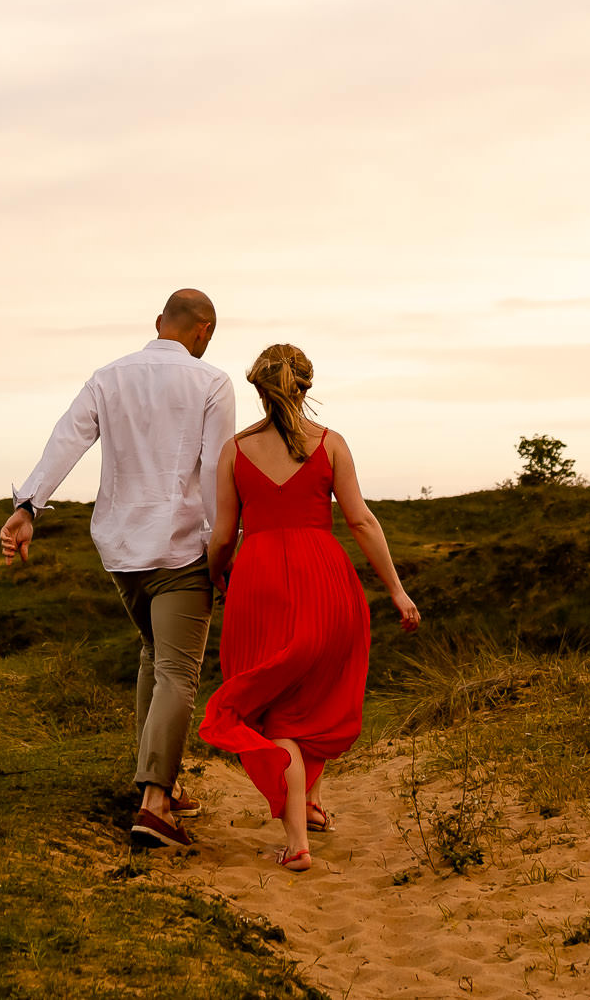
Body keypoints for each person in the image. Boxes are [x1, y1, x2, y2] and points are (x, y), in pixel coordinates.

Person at [0, 288, 236, 850]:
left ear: (159, 323)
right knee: (179, 671)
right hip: (181, 550)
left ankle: (163, 781)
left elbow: (66, 440)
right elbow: (213, 472)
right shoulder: (213, 383)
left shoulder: (107, 377)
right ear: (204, 331)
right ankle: (155, 805)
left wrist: (27, 506)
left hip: (121, 550)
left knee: (154, 657)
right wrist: (224, 548)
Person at [199, 343, 421, 871]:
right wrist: (396, 589)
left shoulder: (234, 450)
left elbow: (224, 536)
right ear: (306, 386)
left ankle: (297, 841)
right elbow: (362, 522)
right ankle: (312, 805)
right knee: (312, 697)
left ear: (258, 387)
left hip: (258, 584)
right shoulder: (332, 444)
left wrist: (215, 577)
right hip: (326, 580)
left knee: (275, 710)